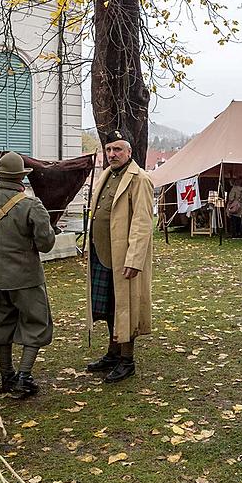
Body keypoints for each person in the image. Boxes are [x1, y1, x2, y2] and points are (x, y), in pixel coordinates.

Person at [0, 152, 55, 399]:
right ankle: (24, 377)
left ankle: (7, 376)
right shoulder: (30, 205)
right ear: (21, 178)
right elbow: (46, 243)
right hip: (26, 278)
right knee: (36, 324)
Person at [85, 132, 154, 384]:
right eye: (109, 149)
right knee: (109, 307)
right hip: (102, 253)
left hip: (124, 258)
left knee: (125, 307)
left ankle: (127, 360)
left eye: (117, 150)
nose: (112, 154)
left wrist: (134, 259)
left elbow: (143, 222)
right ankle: (113, 354)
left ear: (129, 152)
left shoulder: (140, 179)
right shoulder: (106, 175)